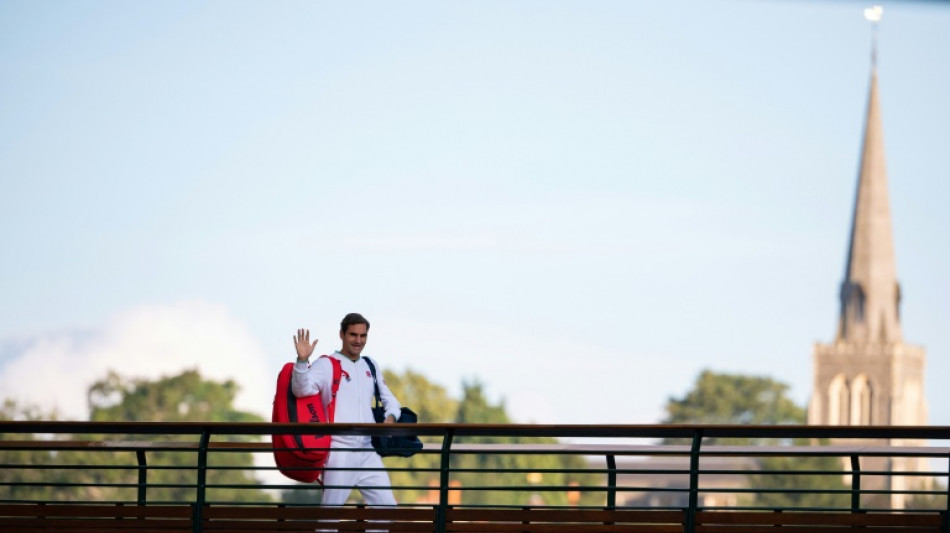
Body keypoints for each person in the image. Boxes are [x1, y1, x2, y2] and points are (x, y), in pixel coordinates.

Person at [292, 312, 402, 507]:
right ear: (341, 334)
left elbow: (390, 400)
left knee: (388, 510)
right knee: (330, 515)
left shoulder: (370, 365)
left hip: (368, 451)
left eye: (363, 335)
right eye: (353, 335)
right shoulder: (326, 364)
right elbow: (300, 390)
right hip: (339, 451)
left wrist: (391, 417)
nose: (358, 340)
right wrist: (302, 361)